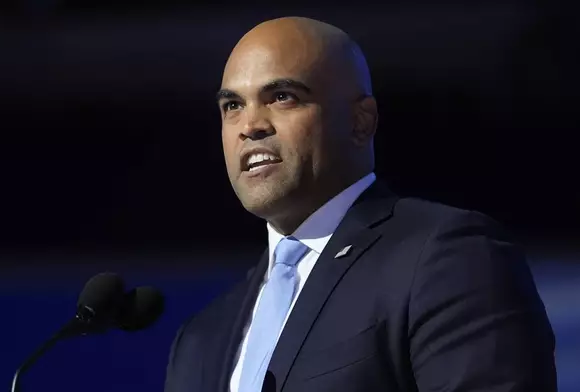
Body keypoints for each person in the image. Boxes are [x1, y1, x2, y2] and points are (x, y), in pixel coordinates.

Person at [163, 17, 557, 392]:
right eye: (232, 106)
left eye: (282, 97)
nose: (250, 126)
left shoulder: (446, 258)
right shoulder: (202, 338)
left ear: (360, 122)